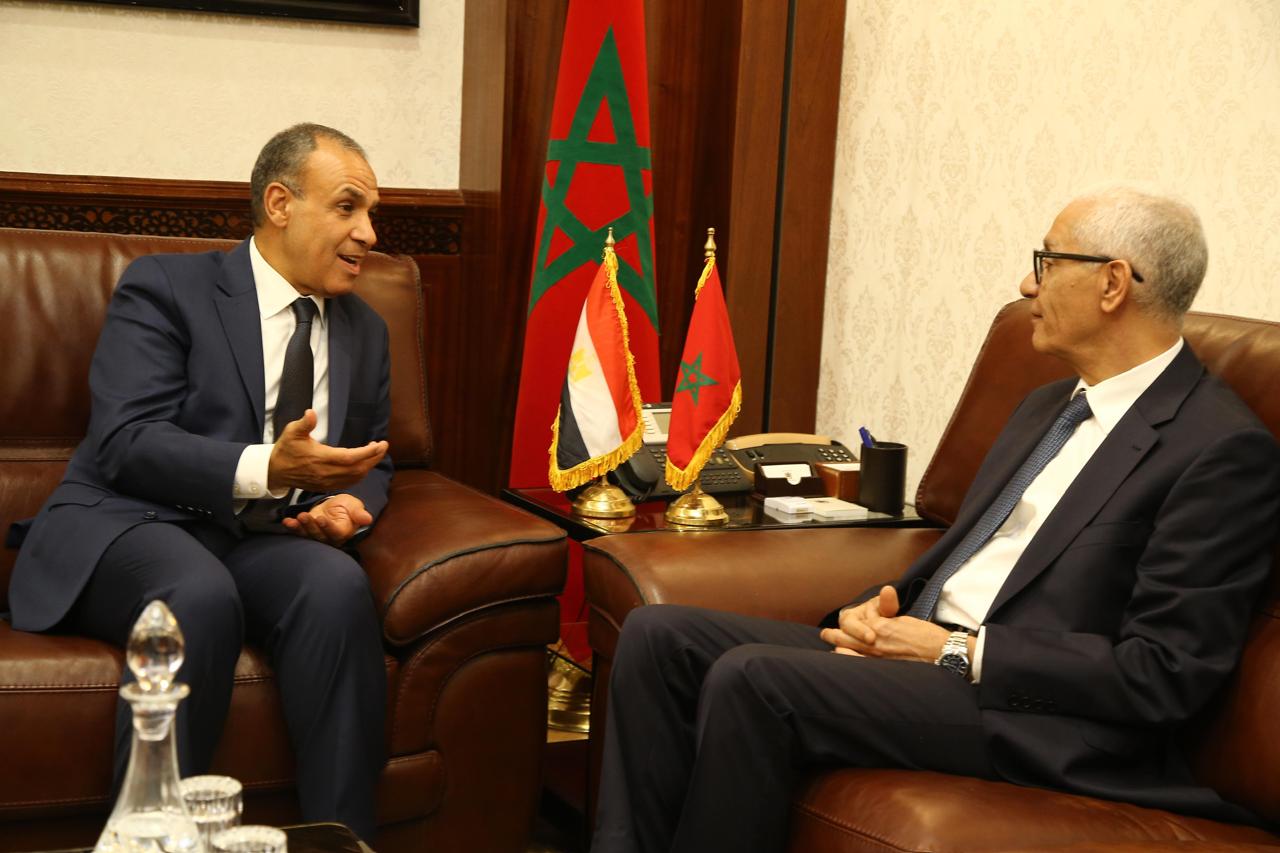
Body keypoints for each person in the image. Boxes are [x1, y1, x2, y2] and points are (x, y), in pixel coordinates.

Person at [591, 186, 1280, 853]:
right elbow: (970, 553)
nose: (1027, 284)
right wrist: (876, 609)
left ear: (1112, 283)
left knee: (754, 680)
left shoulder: (1218, 449)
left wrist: (957, 651)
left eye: (1047, 262)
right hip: (926, 657)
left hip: (1038, 712)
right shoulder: (1048, 407)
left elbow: (1163, 673)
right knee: (660, 636)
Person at [7, 123, 392, 839]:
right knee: (199, 595)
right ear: (280, 204)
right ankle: (150, 841)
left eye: (371, 213)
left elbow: (377, 456)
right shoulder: (167, 288)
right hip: (131, 519)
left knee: (337, 587)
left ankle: (343, 840)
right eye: (348, 207)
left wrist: (347, 501)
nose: (368, 232)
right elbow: (126, 441)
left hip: (258, 537)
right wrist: (266, 468)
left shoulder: (365, 330)